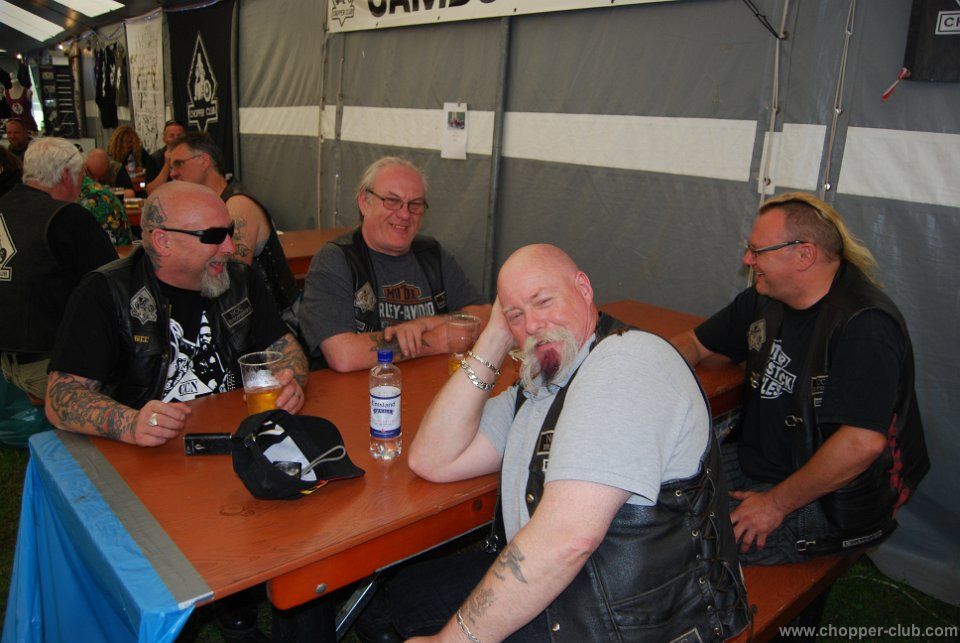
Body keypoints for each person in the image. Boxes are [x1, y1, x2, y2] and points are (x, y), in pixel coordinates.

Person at [364, 244, 750, 642]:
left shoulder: (627, 363)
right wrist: (494, 337)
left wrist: (451, 641)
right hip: (570, 585)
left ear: (583, 288)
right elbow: (433, 459)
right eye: (516, 315)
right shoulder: (542, 382)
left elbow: (567, 539)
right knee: (400, 599)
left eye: (543, 301)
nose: (532, 324)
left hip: (630, 622)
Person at [670, 192, 929, 565]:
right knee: (652, 496)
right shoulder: (765, 298)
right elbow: (695, 343)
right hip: (757, 461)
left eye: (757, 251)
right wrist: (652, 374)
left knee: (692, 549)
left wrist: (774, 504)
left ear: (804, 255)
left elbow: (861, 444)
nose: (747, 260)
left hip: (829, 497)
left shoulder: (866, 325)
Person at [45, 181, 307, 447]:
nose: (229, 247)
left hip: (238, 438)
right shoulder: (105, 292)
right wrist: (131, 423)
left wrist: (290, 380)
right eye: (214, 236)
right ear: (163, 241)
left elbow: (286, 349)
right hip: (149, 453)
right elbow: (61, 396)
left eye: (229, 232)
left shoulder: (240, 280)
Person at [299, 157, 489, 372]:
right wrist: (441, 339)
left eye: (414, 204)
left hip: (431, 382)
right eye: (392, 200)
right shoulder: (336, 260)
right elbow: (344, 355)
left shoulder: (432, 254)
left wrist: (426, 324)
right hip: (367, 388)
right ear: (364, 203)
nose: (405, 214)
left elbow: (485, 314)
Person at [0, 137, 117, 402]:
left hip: (10, 362)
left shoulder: (4, 205)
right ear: (66, 174)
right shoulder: (68, 218)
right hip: (55, 364)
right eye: (80, 175)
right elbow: (112, 284)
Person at [169, 131, 301, 333]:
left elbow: (234, 276)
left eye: (179, 164)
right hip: (244, 314)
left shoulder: (237, 204)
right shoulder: (214, 205)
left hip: (277, 321)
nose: (173, 173)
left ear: (204, 161)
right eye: (172, 167)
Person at [79, 151, 133, 245]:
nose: (95, 181)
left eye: (101, 178)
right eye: (92, 176)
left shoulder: (116, 169)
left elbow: (131, 192)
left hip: (115, 248)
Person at [107, 125, 160, 192]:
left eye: (132, 141)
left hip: (140, 184)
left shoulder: (139, 152)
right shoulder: (112, 156)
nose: (130, 144)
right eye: (127, 141)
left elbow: (150, 168)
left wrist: (142, 170)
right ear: (119, 142)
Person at [146, 120, 186, 195]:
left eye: (179, 135)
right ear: (164, 139)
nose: (176, 139)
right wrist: (167, 164)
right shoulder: (155, 159)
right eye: (171, 136)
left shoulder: (193, 156)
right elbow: (151, 191)